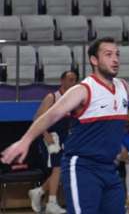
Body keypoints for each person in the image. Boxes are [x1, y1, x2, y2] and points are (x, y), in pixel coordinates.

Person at [1, 37, 129, 214]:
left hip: (108, 168)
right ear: (94, 60)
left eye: (117, 54)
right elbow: (51, 115)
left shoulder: (121, 86)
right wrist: (25, 141)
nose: (115, 59)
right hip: (82, 167)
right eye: (108, 54)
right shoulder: (83, 89)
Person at [28, 70, 78, 214]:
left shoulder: (73, 100)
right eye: (69, 79)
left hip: (64, 137)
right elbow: (37, 118)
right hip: (50, 136)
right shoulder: (52, 97)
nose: (72, 82)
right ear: (62, 81)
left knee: (63, 167)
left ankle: (39, 191)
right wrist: (45, 134)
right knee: (58, 167)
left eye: (74, 80)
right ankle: (51, 202)